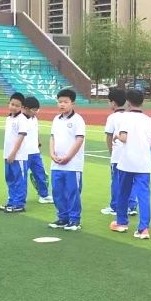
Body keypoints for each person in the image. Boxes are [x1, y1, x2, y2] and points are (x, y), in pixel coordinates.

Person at [111, 90, 151, 239]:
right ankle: (144, 228)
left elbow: (124, 137)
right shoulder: (149, 120)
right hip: (143, 163)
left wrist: (116, 136)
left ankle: (121, 222)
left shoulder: (125, 118)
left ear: (128, 102)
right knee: (143, 195)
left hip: (127, 162)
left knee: (123, 192)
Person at [47, 89, 86, 231]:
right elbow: (52, 138)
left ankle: (74, 220)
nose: (62, 104)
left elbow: (79, 139)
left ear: (72, 103)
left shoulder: (78, 120)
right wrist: (52, 154)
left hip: (72, 165)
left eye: (65, 102)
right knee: (57, 192)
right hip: (56, 164)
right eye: (60, 102)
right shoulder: (56, 119)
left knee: (72, 192)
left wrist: (68, 157)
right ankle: (63, 218)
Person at [100, 88, 137, 217]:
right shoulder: (130, 116)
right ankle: (131, 205)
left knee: (116, 180)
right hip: (130, 154)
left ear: (113, 103)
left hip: (118, 155)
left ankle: (115, 206)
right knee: (130, 180)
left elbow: (109, 136)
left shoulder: (112, 117)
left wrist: (111, 152)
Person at [0, 92, 28, 213]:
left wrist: (13, 153)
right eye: (12, 104)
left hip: (18, 156)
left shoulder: (22, 119)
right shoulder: (9, 118)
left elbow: (20, 137)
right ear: (8, 103)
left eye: (17, 105)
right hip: (8, 155)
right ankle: (11, 202)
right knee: (10, 179)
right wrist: (8, 154)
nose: (13, 107)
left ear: (22, 107)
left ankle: (19, 204)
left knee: (19, 180)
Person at [23, 96, 53, 204]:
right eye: (34, 110)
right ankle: (19, 198)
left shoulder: (34, 118)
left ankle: (43, 195)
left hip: (35, 152)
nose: (36, 112)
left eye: (37, 110)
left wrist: (38, 145)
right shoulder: (20, 119)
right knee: (21, 177)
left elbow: (36, 132)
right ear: (26, 108)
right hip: (23, 154)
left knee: (40, 174)